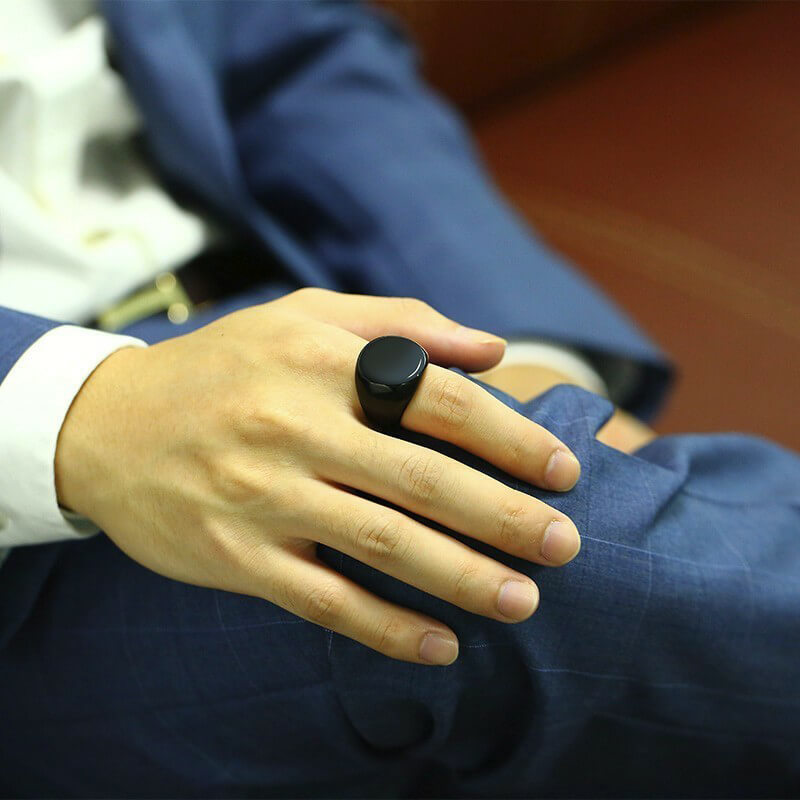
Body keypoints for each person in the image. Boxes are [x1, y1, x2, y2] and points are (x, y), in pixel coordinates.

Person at [0, 2, 797, 797]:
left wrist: (526, 355)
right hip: (33, 508)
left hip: (293, 310)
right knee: (504, 536)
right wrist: (82, 411)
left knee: (522, 488)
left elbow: (292, 56)